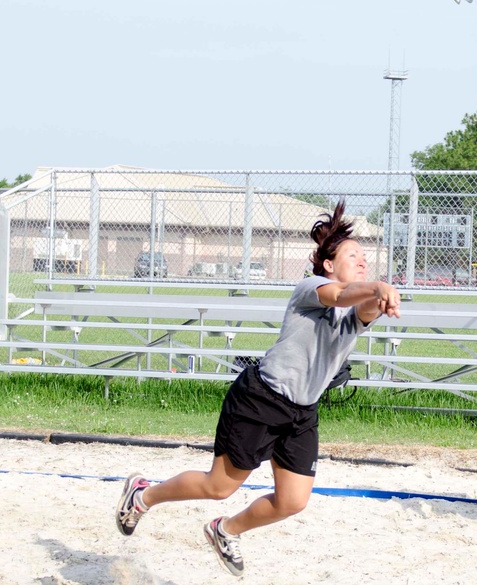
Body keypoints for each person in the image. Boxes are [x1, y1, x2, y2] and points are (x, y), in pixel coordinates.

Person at [114, 201, 402, 577]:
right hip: (261, 399)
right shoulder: (311, 288)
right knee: (218, 487)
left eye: (365, 257)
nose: (362, 260)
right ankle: (143, 494)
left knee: (292, 501)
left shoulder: (355, 309)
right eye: (353, 255)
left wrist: (379, 299)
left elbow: (362, 308)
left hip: (302, 412)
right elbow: (341, 295)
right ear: (329, 265)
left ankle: (225, 529)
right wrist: (378, 287)